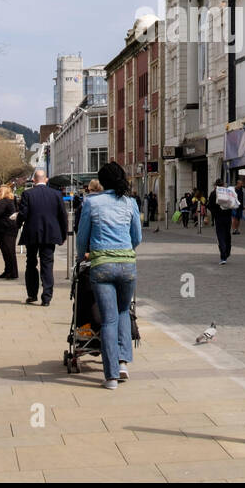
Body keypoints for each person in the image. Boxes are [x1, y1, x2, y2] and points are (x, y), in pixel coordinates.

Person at [76, 161, 142, 390]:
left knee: (109, 319)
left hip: (102, 264)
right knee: (124, 311)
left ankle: (111, 376)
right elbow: (137, 237)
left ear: (102, 181)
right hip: (127, 265)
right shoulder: (130, 203)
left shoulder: (92, 202)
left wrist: (82, 255)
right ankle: (123, 363)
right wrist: (125, 250)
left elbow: (82, 236)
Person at [18, 169, 69, 305]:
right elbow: (63, 216)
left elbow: (22, 214)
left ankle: (32, 294)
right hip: (50, 233)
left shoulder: (27, 194)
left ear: (34, 180)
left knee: (31, 263)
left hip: (32, 233)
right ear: (46, 179)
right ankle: (46, 297)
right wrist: (63, 234)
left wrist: (17, 226)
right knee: (47, 264)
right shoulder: (56, 194)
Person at [0, 184, 20, 280]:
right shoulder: (7, 201)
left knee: (9, 251)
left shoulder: (5, 201)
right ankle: (8, 271)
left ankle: (13, 272)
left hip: (7, 230)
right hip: (5, 229)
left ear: (3, 192)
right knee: (6, 251)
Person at [207, 179, 235, 263]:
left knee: (220, 236)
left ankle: (223, 257)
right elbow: (232, 203)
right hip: (227, 217)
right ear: (223, 185)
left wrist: (214, 212)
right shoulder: (228, 192)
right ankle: (227, 251)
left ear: (216, 185)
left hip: (218, 218)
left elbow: (209, 206)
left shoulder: (213, 193)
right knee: (227, 234)